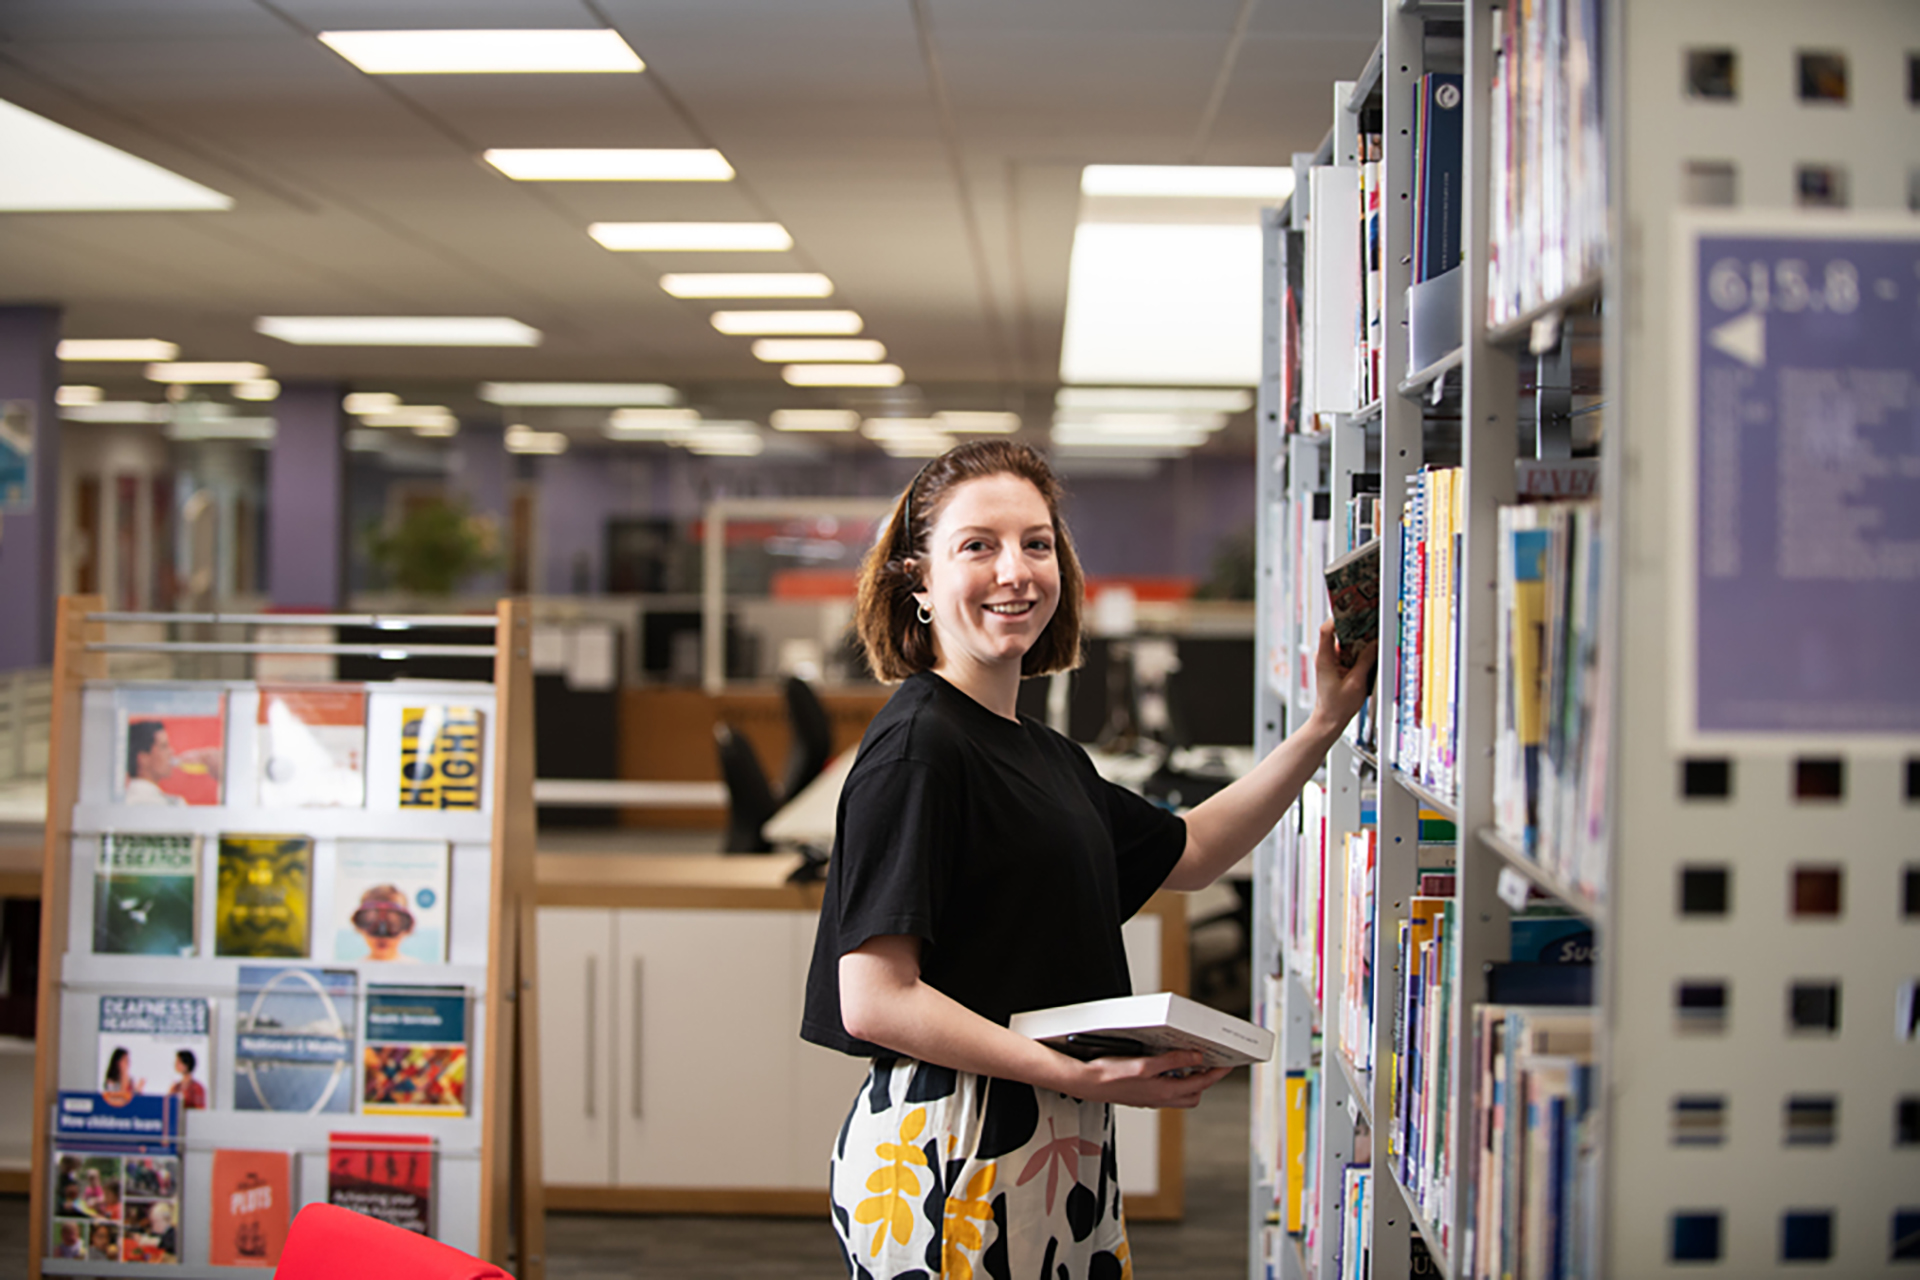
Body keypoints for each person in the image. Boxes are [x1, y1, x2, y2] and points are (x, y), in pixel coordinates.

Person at [800, 440, 1375, 1278]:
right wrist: (1086, 1074)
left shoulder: (1041, 752)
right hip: (954, 1148)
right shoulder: (919, 746)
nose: (1016, 570)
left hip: (1054, 1140)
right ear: (918, 581)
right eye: (978, 545)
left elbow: (1193, 852)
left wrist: (1324, 725)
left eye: (1037, 543)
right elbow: (877, 1001)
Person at [350, 884, 419, 962]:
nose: (382, 932)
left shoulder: (419, 970)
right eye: (371, 921)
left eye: (393, 923)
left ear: (408, 927)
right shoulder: (351, 969)